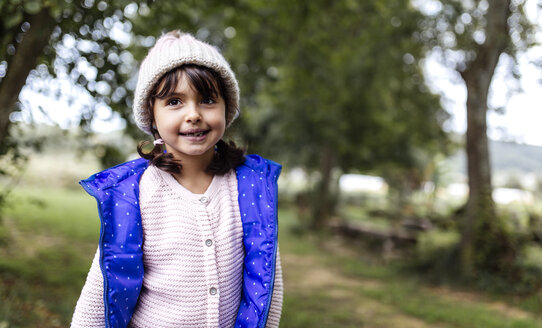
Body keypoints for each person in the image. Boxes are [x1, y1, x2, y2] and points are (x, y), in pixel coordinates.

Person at [71, 30, 283, 328]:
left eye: (207, 99)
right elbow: (97, 299)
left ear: (227, 108)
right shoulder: (135, 195)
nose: (193, 114)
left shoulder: (249, 188)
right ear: (152, 116)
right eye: (174, 101)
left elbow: (268, 285)